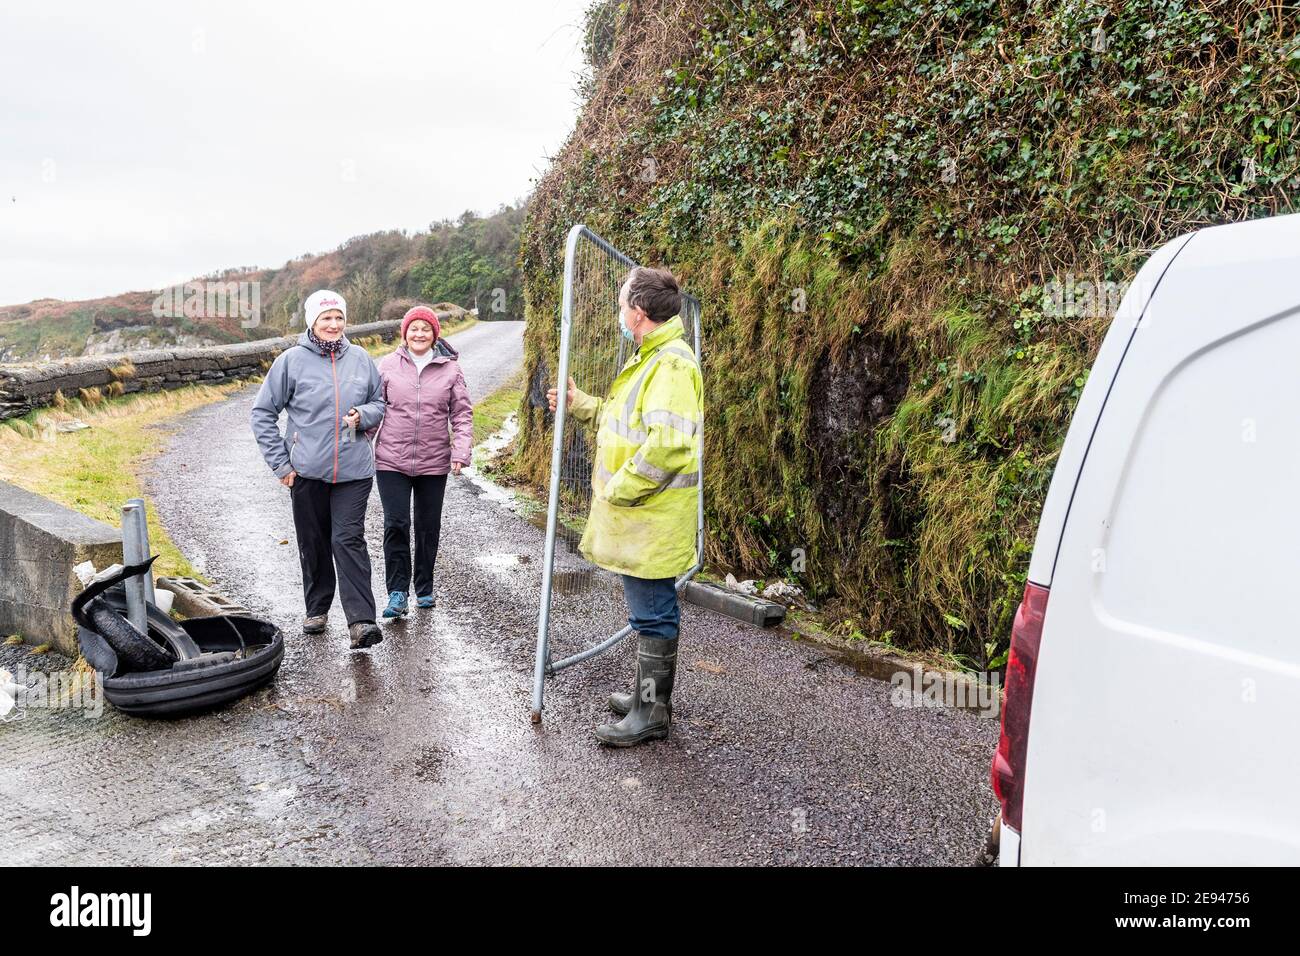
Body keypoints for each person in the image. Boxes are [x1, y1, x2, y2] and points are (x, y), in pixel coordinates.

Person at [547, 266, 704, 746]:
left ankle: (651, 711)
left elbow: (670, 446)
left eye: (620, 305)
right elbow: (626, 421)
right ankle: (646, 695)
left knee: (654, 612)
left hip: (650, 517)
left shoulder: (670, 365)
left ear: (638, 313)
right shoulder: (653, 358)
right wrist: (580, 403)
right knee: (646, 610)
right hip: (645, 517)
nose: (619, 312)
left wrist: (620, 489)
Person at [250, 289, 386, 650]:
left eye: (339, 318)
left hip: (354, 470)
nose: (334, 324)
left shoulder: (360, 359)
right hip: (306, 470)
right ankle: (317, 607)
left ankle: (361, 621)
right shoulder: (291, 361)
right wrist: (281, 463)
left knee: (348, 539)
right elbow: (263, 413)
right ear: (312, 321)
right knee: (314, 541)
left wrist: (365, 415)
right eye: (326, 318)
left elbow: (379, 402)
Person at [371, 305, 473, 617]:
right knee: (396, 524)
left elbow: (462, 414)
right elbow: (375, 409)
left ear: (434, 335)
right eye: (413, 329)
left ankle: (424, 588)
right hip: (391, 460)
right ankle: (398, 592)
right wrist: (360, 445)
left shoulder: (451, 370)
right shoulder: (387, 365)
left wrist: (461, 451)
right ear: (405, 333)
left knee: (428, 526)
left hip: (433, 461)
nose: (418, 334)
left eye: (425, 329)